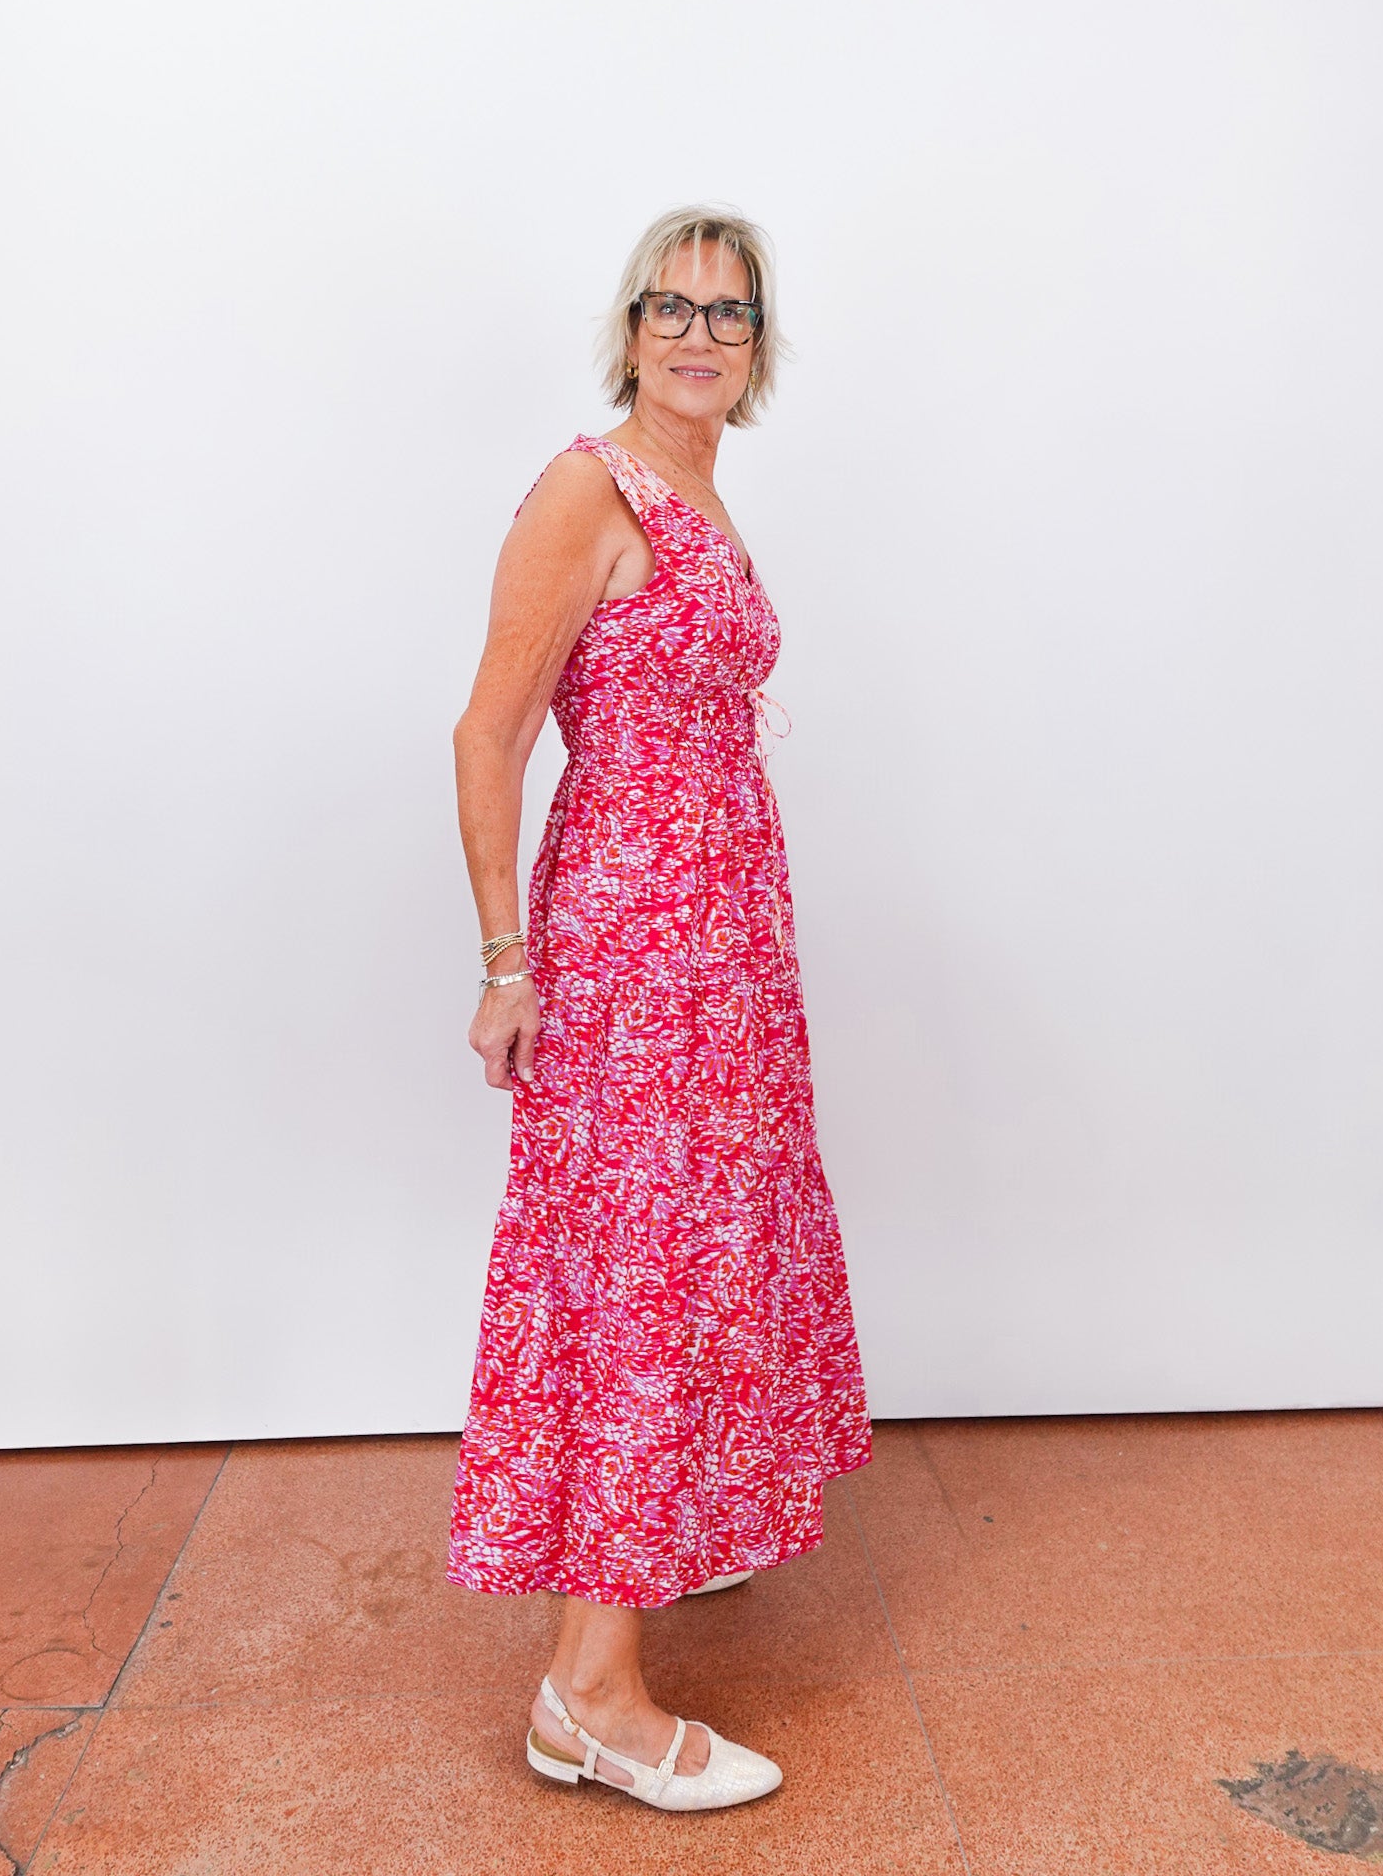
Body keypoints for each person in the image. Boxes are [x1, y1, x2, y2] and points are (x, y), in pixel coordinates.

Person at [444, 205, 872, 1811]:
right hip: (634, 951)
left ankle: (639, 1563)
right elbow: (489, 735)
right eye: (671, 307)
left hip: (726, 949)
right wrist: (505, 963)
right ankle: (591, 1697)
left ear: (758, 348)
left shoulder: (699, 488)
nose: (700, 333)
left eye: (731, 312)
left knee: (695, 1262)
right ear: (627, 330)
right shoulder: (587, 488)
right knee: (637, 1276)